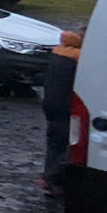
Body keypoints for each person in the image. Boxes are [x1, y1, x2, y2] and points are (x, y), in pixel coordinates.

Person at [38, 27, 83, 196]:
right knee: (66, 144)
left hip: (51, 105)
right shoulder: (77, 60)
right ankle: (52, 180)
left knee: (54, 143)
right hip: (66, 108)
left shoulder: (58, 54)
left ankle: (48, 175)